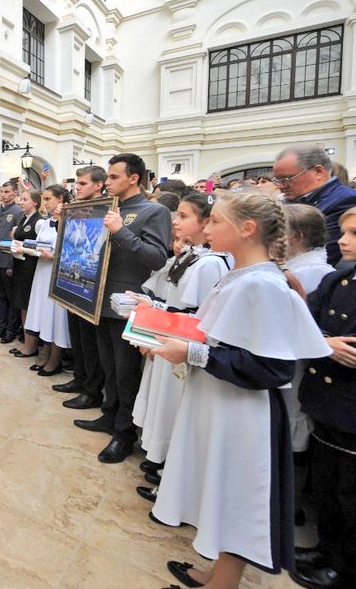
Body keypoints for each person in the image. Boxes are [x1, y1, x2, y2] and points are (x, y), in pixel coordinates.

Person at [150, 191, 331, 589]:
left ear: (246, 229)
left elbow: (269, 366)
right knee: (223, 489)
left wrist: (191, 353)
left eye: (215, 221)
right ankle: (217, 573)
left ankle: (223, 584)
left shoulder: (262, 284)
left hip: (244, 412)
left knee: (238, 497)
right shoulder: (244, 276)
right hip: (224, 404)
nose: (207, 228)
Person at [128, 192, 229, 503]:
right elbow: (174, 304)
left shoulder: (209, 263)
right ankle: (160, 461)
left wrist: (159, 328)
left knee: (173, 409)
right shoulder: (190, 256)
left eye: (184, 216)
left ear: (205, 222)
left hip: (180, 348)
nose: (175, 222)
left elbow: (195, 316)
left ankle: (169, 467)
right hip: (168, 340)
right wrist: (153, 306)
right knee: (161, 402)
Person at [74, 153, 171, 464]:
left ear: (133, 178)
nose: (108, 181)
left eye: (115, 177)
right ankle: (109, 414)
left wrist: (122, 231)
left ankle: (124, 434)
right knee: (109, 367)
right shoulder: (106, 207)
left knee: (126, 372)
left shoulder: (153, 211)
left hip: (128, 304)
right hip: (99, 299)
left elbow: (156, 258)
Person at [290, 206, 356, 589]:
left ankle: (347, 566)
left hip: (355, 407)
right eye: (345, 232)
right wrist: (322, 342)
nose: (343, 240)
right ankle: (326, 547)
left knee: (353, 495)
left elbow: (355, 352)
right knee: (327, 486)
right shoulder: (341, 278)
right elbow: (306, 318)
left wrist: (321, 342)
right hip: (325, 400)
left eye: (355, 234)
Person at [55, 166, 109, 409]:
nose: (77, 187)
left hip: (91, 284)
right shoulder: (76, 207)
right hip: (70, 280)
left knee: (90, 342)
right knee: (76, 336)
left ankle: (92, 390)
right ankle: (79, 378)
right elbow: (66, 239)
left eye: (83, 183)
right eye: (77, 182)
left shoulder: (107, 208)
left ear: (98, 185)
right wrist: (61, 220)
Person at [273, 145, 356, 265]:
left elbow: (329, 255)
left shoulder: (347, 200)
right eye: (277, 180)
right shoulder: (289, 201)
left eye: (287, 179)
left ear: (318, 172)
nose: (281, 185)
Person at [23, 185, 72, 376]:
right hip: (41, 271)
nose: (45, 203)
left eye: (48, 199)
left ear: (60, 199)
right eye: (43, 199)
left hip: (56, 273)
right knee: (43, 314)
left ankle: (55, 359)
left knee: (55, 316)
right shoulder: (44, 223)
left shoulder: (69, 221)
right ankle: (45, 354)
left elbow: (70, 249)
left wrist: (53, 255)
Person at [0, 180, 22, 343]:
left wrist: (11, 264)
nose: (3, 194)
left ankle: (11, 329)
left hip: (7, 260)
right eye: (2, 191)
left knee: (11, 297)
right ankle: (0, 328)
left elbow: (17, 240)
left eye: (7, 191)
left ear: (15, 193)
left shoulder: (18, 212)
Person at [8, 189, 42, 358]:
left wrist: (24, 248)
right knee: (22, 304)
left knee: (28, 305)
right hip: (20, 264)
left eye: (25, 199)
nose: (21, 202)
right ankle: (26, 342)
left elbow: (42, 247)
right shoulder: (23, 219)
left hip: (30, 266)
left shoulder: (39, 222)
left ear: (35, 202)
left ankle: (31, 345)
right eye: (21, 199)